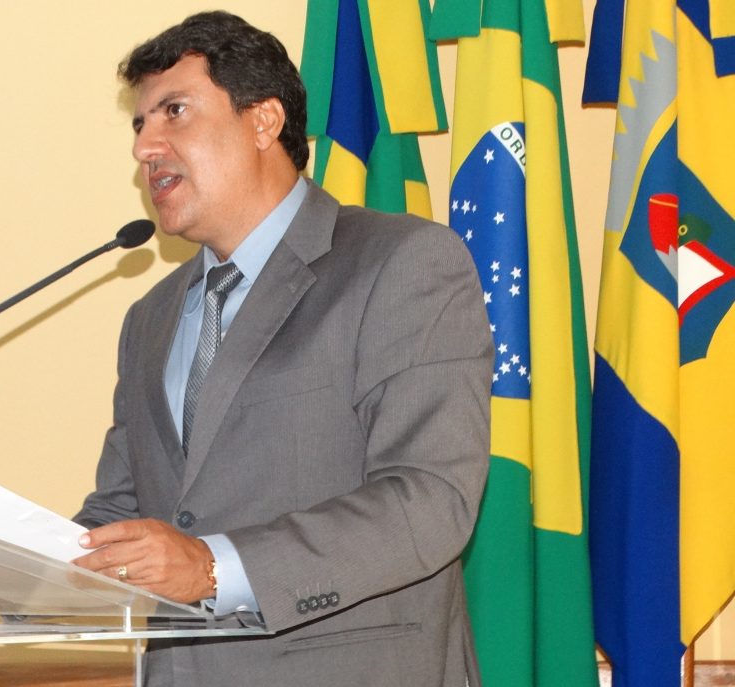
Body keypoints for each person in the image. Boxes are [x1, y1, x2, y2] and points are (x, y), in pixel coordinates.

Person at [73, 11, 492, 686]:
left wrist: (213, 568)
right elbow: (124, 512)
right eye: (140, 124)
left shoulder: (402, 263)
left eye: (174, 112)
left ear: (264, 120)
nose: (145, 147)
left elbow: (430, 499)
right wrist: (0, 566)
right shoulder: (149, 319)